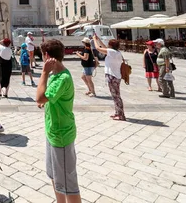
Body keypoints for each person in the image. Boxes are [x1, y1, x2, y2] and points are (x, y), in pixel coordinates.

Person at [36, 40, 81, 203]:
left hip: (61, 135)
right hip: (53, 132)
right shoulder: (57, 75)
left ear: (47, 56)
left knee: (69, 184)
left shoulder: (61, 77)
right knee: (55, 176)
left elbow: (39, 98)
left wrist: (44, 73)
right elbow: (46, 99)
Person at [92, 35, 126, 121]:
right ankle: (117, 112)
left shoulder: (112, 52)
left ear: (111, 45)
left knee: (116, 96)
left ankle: (121, 114)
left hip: (112, 76)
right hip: (115, 76)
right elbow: (104, 48)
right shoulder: (116, 52)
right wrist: (98, 39)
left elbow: (98, 48)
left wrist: (94, 40)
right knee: (115, 95)